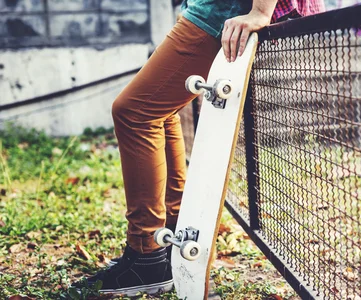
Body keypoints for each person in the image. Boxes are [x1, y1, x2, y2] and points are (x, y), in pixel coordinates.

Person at [71, 0, 324, 296]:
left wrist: (260, 11)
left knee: (134, 112)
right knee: (156, 113)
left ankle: (147, 255)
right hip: (210, 9)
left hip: (221, 11)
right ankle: (170, 241)